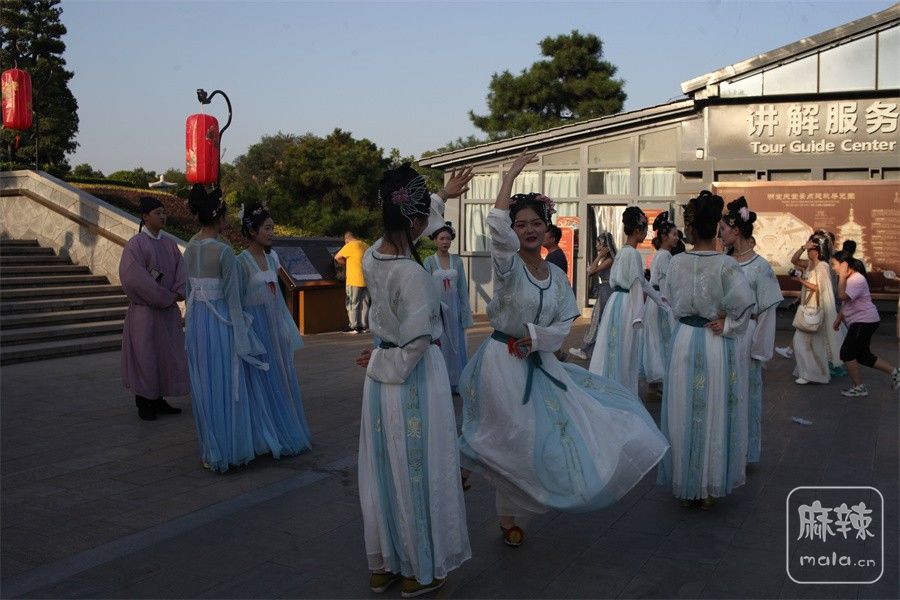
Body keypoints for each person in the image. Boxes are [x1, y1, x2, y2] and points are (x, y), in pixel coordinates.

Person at [458, 151, 669, 548]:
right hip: (502, 359)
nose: (528, 230)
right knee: (513, 430)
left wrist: (539, 338)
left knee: (549, 430)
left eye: (536, 223)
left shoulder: (555, 274)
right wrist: (511, 174)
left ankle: (507, 512)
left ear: (547, 228)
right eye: (521, 224)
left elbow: (562, 323)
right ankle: (468, 458)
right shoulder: (508, 265)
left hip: (538, 360)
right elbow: (496, 224)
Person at [357, 164, 473, 598]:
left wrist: (441, 195)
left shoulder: (372, 256)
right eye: (425, 219)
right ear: (416, 221)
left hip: (379, 380)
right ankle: (420, 569)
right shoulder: (415, 276)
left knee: (385, 468)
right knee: (420, 469)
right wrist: (381, 360)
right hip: (413, 378)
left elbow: (409, 229)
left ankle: (385, 563)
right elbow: (417, 345)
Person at [657, 190, 755, 509]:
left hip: (684, 338)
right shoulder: (727, 265)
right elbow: (745, 305)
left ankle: (686, 482)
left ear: (690, 228)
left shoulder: (676, 263)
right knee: (713, 409)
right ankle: (709, 483)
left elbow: (668, 302)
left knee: (682, 409)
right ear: (715, 227)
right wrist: (727, 323)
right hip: (714, 341)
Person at [184, 185, 268, 472]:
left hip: (198, 322)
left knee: (205, 386)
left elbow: (188, 291)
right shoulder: (224, 251)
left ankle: (211, 450)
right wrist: (242, 337)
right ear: (218, 216)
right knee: (226, 383)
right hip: (221, 321)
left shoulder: (190, 247)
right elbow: (233, 299)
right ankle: (230, 449)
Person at [236, 202, 313, 457]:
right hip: (255, 328)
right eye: (267, 228)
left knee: (280, 379)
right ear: (252, 231)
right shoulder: (241, 262)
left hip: (273, 325)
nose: (271, 233)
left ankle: (281, 431)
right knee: (259, 382)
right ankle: (264, 435)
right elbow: (238, 301)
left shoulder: (271, 259)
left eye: (272, 228)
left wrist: (284, 327)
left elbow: (278, 298)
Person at [719, 197, 782, 464]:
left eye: (723, 229)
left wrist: (759, 347)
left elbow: (767, 311)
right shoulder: (722, 262)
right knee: (723, 392)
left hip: (746, 336)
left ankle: (743, 451)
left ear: (736, 230)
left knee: (744, 393)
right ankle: (722, 447)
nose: (720, 234)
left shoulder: (760, 266)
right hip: (721, 333)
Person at [119, 196, 190, 421]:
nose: (163, 216)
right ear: (145, 216)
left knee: (165, 356)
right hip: (145, 313)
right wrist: (165, 297)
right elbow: (134, 278)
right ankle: (144, 402)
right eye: (157, 212)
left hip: (166, 312)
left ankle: (159, 399)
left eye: (164, 212)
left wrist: (177, 293)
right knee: (145, 356)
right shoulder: (136, 245)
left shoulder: (170, 244)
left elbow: (182, 273)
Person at [588, 206, 667, 396]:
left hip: (617, 302)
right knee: (624, 349)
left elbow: (642, 283)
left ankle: (614, 386)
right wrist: (638, 315)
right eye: (645, 229)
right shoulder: (632, 253)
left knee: (615, 347)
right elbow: (636, 285)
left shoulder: (623, 252)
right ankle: (621, 391)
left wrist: (660, 301)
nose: (646, 233)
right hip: (626, 304)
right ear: (638, 230)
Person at [830, 241, 900, 396]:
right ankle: (896, 372)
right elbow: (846, 302)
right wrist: (839, 318)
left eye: (834, 265)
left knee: (847, 353)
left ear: (844, 265)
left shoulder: (857, 279)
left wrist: (842, 276)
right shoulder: (850, 278)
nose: (833, 268)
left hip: (864, 321)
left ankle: (859, 388)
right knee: (862, 356)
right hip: (863, 321)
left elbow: (842, 296)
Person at [423, 222, 473, 394]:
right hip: (437, 311)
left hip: (454, 310)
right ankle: (440, 384)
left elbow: (463, 289)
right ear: (435, 240)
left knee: (456, 347)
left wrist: (465, 313)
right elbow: (425, 288)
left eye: (448, 239)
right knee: (440, 345)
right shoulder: (429, 261)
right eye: (441, 238)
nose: (445, 242)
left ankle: (457, 382)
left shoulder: (457, 261)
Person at [790, 232, 845, 385]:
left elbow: (818, 288)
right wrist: (802, 247)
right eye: (807, 249)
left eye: (810, 249)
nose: (808, 251)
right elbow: (793, 260)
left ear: (818, 250)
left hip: (815, 309)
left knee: (807, 344)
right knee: (805, 344)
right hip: (807, 308)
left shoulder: (822, 266)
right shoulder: (809, 264)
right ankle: (812, 373)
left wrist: (800, 280)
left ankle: (814, 374)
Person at [641, 212, 679, 389]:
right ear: (664, 236)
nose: (677, 238)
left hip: (655, 301)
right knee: (663, 339)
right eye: (674, 234)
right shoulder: (665, 256)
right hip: (660, 302)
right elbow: (665, 283)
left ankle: (656, 383)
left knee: (656, 340)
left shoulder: (661, 254)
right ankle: (661, 380)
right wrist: (669, 305)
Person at [568, 232, 616, 360]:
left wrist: (599, 256)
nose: (596, 246)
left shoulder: (610, 260)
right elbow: (590, 271)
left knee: (597, 319)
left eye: (598, 244)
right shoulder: (606, 259)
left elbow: (591, 271)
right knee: (598, 319)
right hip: (604, 290)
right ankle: (590, 350)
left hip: (607, 291)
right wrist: (599, 257)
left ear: (605, 246)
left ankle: (586, 350)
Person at [335, 231, 370, 333]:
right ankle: (363, 326)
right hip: (366, 280)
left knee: (352, 303)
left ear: (347, 239)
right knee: (364, 303)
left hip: (354, 279)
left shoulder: (350, 245)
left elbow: (337, 257)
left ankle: (354, 326)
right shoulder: (365, 245)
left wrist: (344, 263)